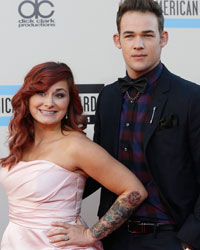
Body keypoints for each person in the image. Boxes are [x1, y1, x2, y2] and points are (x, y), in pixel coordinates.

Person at [83, 0, 200, 249]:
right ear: (118, 40)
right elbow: (97, 168)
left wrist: (190, 240)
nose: (138, 44)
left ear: (163, 38)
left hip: (170, 237)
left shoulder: (191, 98)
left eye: (147, 35)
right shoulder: (108, 98)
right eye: (130, 35)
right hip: (114, 237)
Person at [0, 61, 147, 250]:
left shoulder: (76, 145)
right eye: (41, 93)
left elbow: (134, 190)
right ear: (27, 97)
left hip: (57, 245)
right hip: (16, 242)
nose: (49, 103)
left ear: (69, 101)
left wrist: (90, 234)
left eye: (59, 95)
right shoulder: (22, 142)